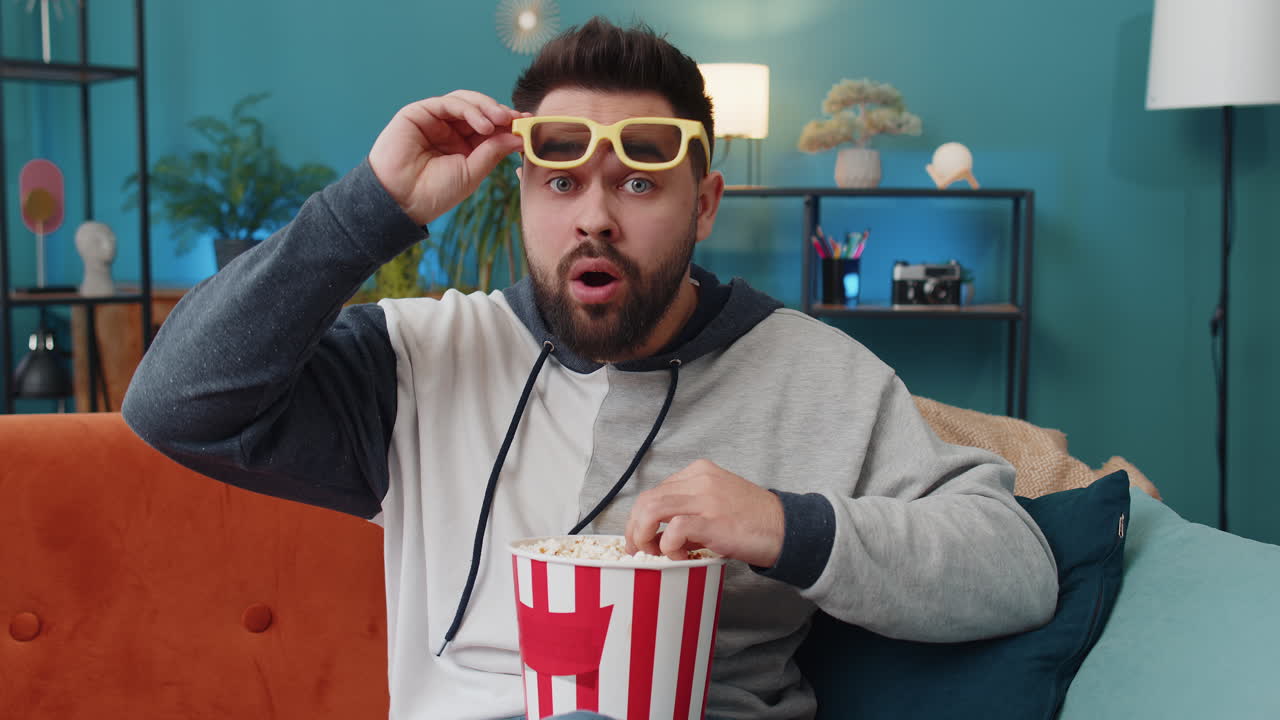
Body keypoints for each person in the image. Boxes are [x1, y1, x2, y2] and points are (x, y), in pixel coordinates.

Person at [122, 17, 1057, 720]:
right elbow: (174, 405)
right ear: (523, 191)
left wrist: (788, 525)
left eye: (641, 182)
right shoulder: (420, 359)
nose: (595, 217)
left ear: (706, 204)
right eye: (561, 182)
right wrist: (374, 206)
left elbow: (1016, 567)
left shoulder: (820, 376)